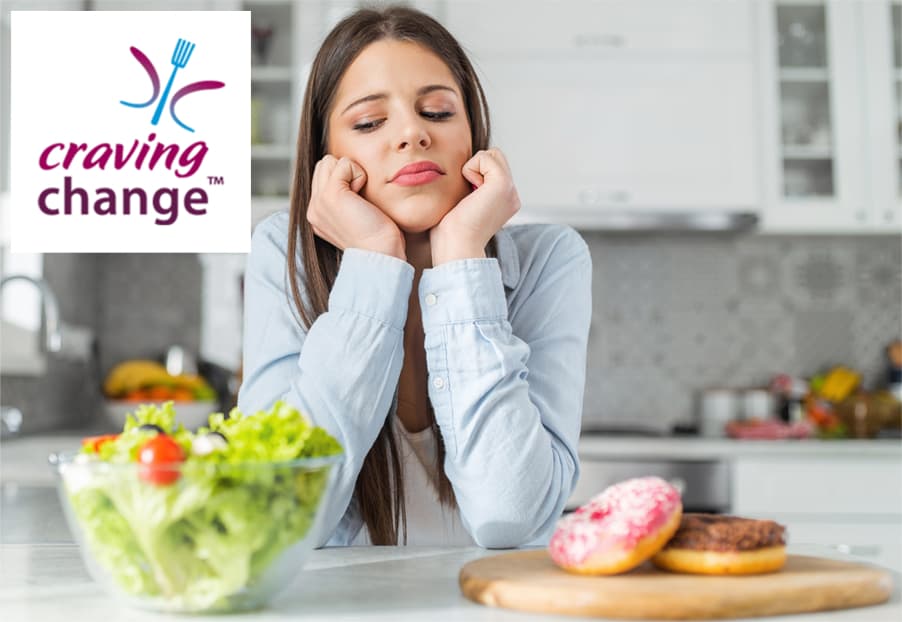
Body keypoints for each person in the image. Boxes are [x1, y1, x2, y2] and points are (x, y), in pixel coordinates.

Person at [238, 5, 592, 548]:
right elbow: (274, 517)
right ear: (327, 157)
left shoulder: (553, 259)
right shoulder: (279, 254)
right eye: (369, 123)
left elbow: (511, 515)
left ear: (473, 135)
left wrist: (462, 258)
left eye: (437, 112)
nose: (411, 134)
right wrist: (376, 261)